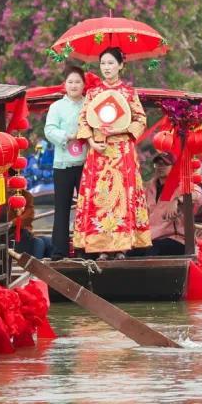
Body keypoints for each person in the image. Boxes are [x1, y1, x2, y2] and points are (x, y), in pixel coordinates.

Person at [73, 47, 152, 259]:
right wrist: (91, 141)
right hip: (99, 150)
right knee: (100, 196)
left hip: (122, 149)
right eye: (103, 64)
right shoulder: (93, 93)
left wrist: (121, 130)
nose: (106, 68)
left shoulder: (128, 92)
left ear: (120, 65)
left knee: (122, 196)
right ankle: (100, 247)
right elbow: (83, 120)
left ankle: (122, 246)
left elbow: (140, 120)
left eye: (110, 63)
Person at [43, 65, 88, 260]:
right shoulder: (56, 107)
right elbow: (49, 130)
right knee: (61, 208)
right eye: (70, 82)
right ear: (65, 85)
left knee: (86, 208)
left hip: (86, 163)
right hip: (62, 163)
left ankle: (85, 248)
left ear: (84, 84)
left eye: (77, 81)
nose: (74, 85)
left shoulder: (89, 105)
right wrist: (67, 136)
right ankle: (59, 251)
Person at [144, 152, 202, 256]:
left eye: (165, 164)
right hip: (150, 238)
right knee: (131, 251)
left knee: (151, 251)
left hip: (175, 238)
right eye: (157, 164)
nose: (160, 167)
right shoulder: (148, 188)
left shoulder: (181, 185)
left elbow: (198, 194)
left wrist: (177, 200)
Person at [10, 190, 52, 259]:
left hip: (24, 232)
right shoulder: (4, 196)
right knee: (38, 243)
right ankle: (34, 267)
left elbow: (29, 216)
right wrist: (14, 222)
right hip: (10, 235)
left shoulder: (26, 195)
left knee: (49, 241)